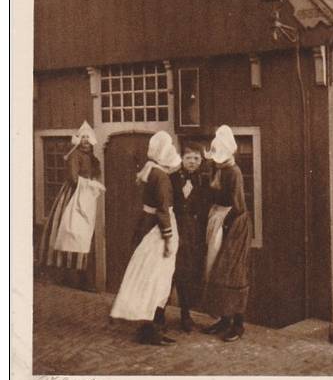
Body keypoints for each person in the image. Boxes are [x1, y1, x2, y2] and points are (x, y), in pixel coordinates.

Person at [110, 131, 181, 346]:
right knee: (154, 277)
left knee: (151, 276)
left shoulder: (151, 169)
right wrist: (168, 239)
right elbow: (162, 210)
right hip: (156, 231)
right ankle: (149, 329)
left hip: (147, 226)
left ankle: (152, 326)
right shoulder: (159, 175)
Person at [38, 121, 104, 289]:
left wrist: (94, 182)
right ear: (79, 139)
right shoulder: (75, 155)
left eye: (88, 138)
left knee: (85, 233)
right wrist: (89, 184)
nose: (85, 141)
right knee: (71, 231)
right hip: (74, 195)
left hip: (87, 195)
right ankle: (71, 277)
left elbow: (96, 173)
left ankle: (83, 276)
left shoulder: (92, 156)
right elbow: (74, 178)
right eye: (83, 138)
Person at [202, 125, 252, 342]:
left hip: (234, 224)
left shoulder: (234, 172)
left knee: (232, 270)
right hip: (219, 219)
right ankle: (224, 318)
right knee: (216, 268)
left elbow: (238, 206)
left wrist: (226, 225)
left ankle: (238, 324)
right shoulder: (219, 169)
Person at [169, 142, 210, 332]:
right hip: (175, 230)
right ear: (181, 159)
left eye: (196, 158)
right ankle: (158, 316)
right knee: (169, 272)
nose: (192, 162)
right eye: (188, 158)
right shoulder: (171, 178)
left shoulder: (204, 181)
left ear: (201, 161)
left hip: (194, 234)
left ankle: (185, 315)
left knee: (188, 274)